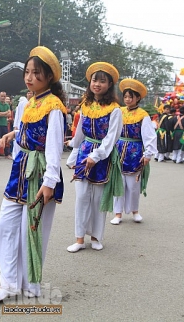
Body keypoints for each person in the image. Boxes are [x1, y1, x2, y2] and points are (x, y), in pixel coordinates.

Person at [0, 46, 67, 302]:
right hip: (19, 168)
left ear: (49, 77)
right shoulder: (30, 102)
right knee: (6, 224)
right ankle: (9, 283)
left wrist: (50, 182)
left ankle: (31, 283)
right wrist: (13, 134)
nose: (29, 77)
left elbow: (54, 147)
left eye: (36, 73)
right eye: (27, 72)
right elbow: (25, 129)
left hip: (40, 172)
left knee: (32, 230)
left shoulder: (54, 106)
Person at [67, 62, 122, 253]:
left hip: (102, 156)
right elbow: (80, 133)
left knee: (98, 198)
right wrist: (74, 154)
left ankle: (96, 237)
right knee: (81, 197)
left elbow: (112, 137)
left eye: (102, 81)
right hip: (84, 151)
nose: (97, 84)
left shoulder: (115, 109)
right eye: (94, 80)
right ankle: (79, 239)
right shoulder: (86, 105)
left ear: (109, 85)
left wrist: (96, 155)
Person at [110, 79, 157, 225]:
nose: (128, 99)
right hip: (118, 151)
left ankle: (135, 211)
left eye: (131, 97)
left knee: (133, 186)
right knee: (118, 183)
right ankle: (118, 214)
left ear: (138, 98)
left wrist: (148, 153)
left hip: (134, 152)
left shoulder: (143, 115)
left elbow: (149, 135)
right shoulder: (119, 111)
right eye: (125, 97)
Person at [12, 94, 29, 159]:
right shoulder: (22, 104)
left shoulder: (25, 103)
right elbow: (18, 115)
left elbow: (17, 116)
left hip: (21, 125)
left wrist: (15, 125)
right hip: (21, 125)